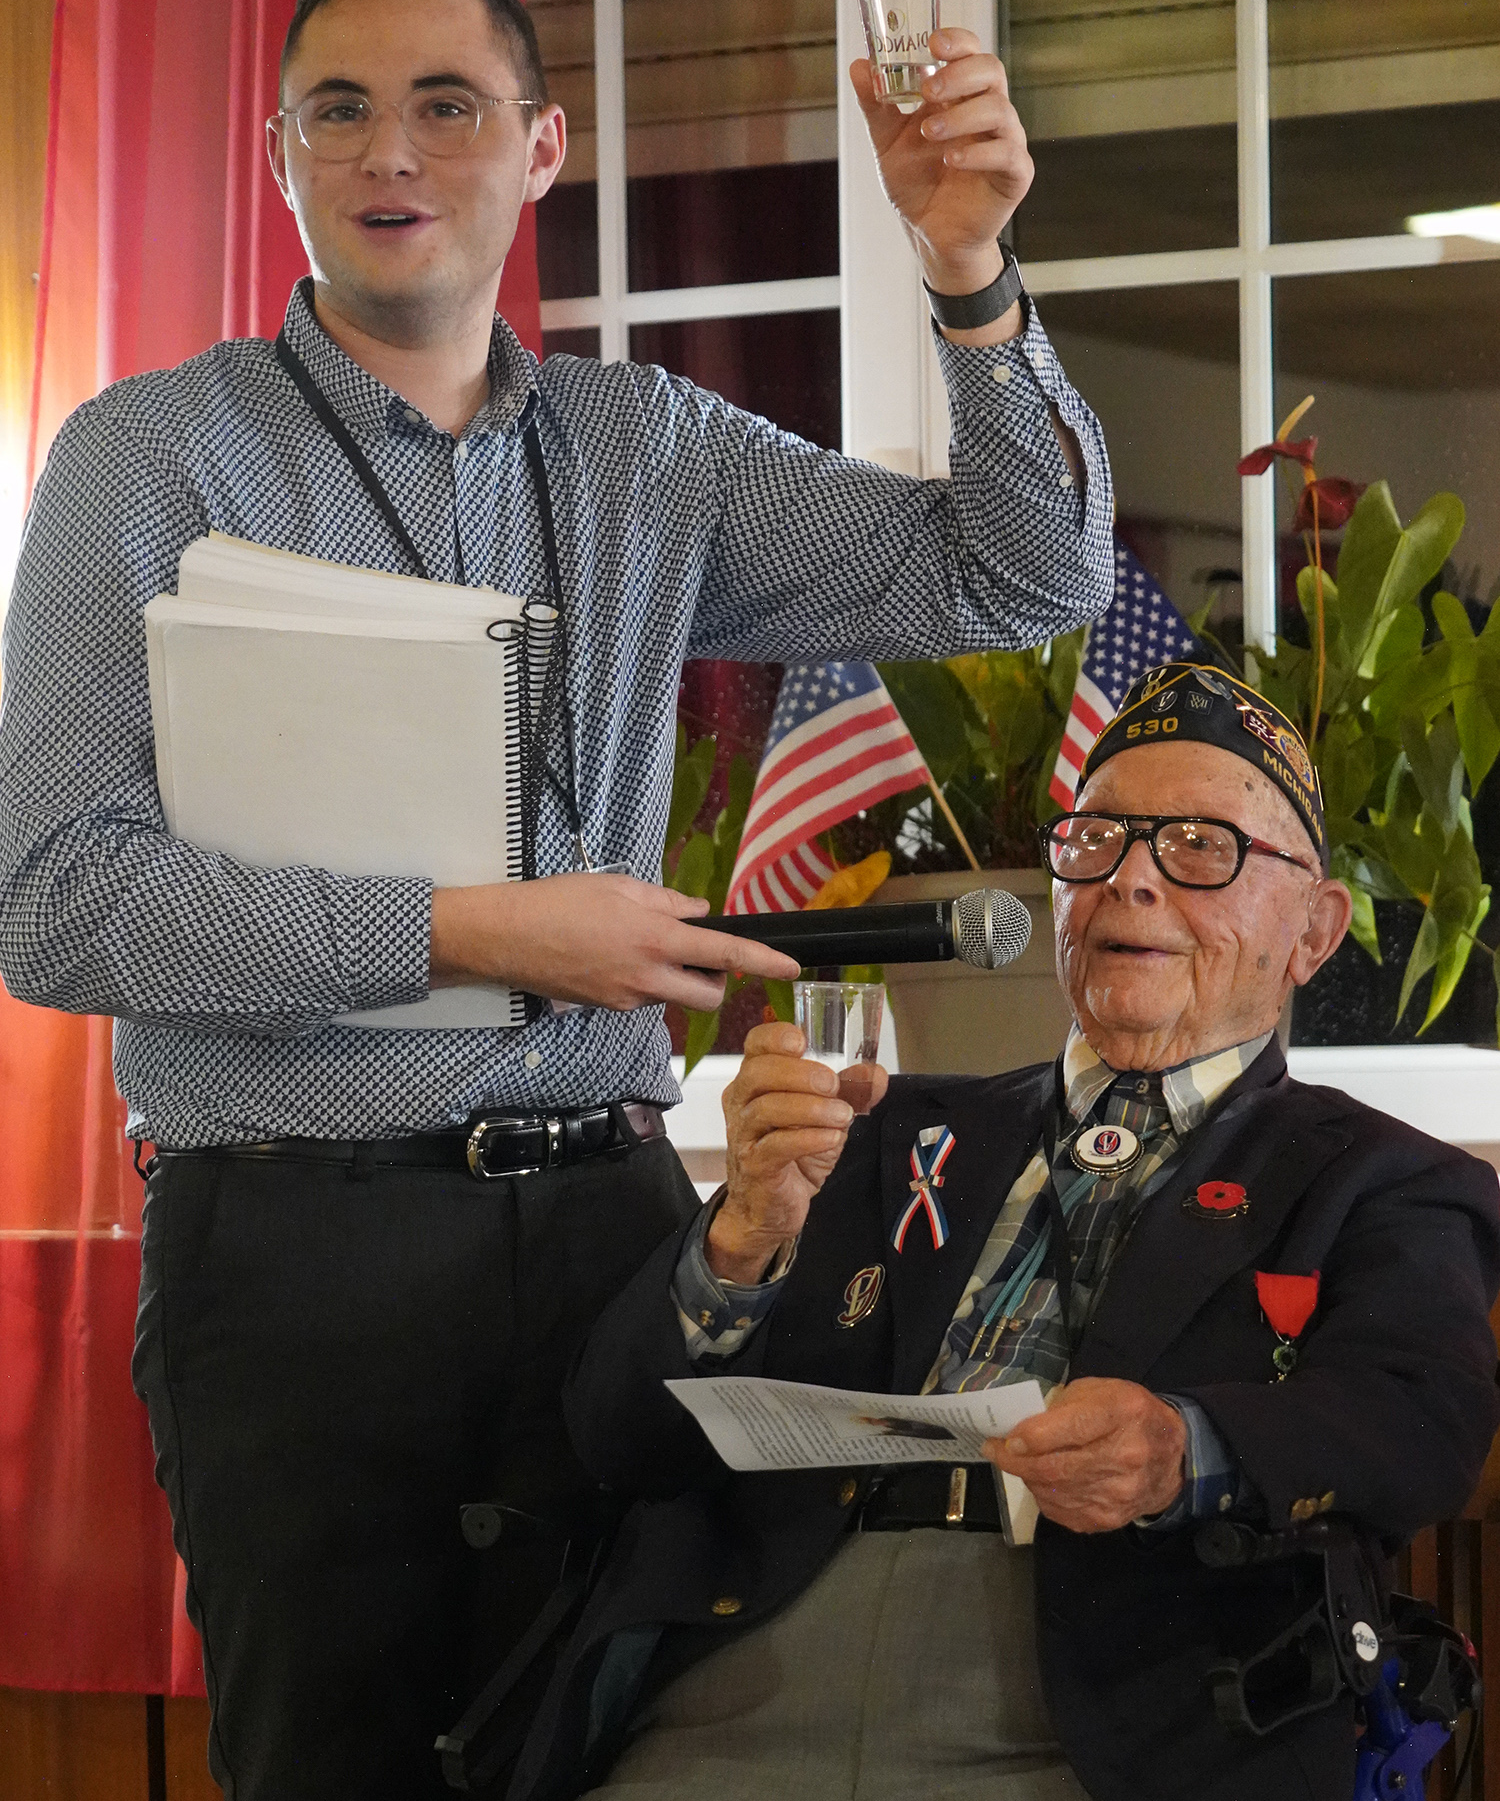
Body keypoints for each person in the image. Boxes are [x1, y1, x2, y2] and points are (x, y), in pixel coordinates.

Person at [0, 0, 1115, 1801]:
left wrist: (968, 274)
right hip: (293, 1252)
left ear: (542, 149)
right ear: (278, 156)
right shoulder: (146, 458)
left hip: (620, 1241)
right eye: (338, 111)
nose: (390, 152)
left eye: (448, 105)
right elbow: (55, 900)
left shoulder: (647, 448)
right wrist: (483, 932)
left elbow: (1023, 575)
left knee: (631, 1761)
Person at [515, 662, 1500, 1801]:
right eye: (1099, 840)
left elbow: (1419, 1424)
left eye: (1200, 846)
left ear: (1313, 930)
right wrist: (742, 1238)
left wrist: (1180, 1448)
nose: (1130, 880)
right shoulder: (871, 1130)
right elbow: (616, 1441)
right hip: (749, 1667)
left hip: (1104, 1706)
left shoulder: (1378, 1180)